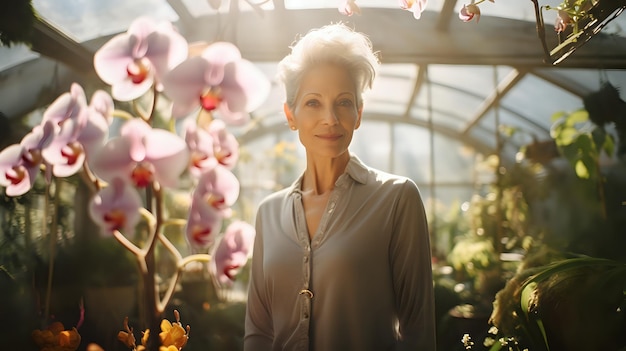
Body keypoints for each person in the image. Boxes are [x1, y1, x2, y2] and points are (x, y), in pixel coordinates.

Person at [244, 22, 436, 351]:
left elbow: (418, 332)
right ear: (290, 115)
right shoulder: (268, 213)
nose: (330, 118)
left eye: (344, 102)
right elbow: (258, 332)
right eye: (313, 103)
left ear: (358, 114)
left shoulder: (397, 199)